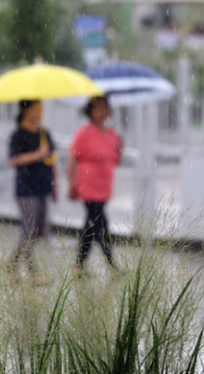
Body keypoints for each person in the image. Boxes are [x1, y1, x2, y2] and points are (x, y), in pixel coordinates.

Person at [68, 96, 123, 277]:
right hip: (88, 187)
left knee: (90, 227)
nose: (101, 112)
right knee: (101, 225)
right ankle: (111, 265)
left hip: (103, 188)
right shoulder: (84, 133)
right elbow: (72, 159)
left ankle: (79, 265)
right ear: (90, 111)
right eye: (97, 108)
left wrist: (120, 148)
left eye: (104, 108)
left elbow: (115, 160)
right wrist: (72, 184)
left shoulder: (112, 135)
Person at [7, 100, 58, 285]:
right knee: (28, 231)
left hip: (43, 188)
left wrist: (55, 184)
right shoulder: (18, 135)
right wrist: (37, 154)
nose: (39, 112)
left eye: (40, 109)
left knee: (38, 231)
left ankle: (12, 262)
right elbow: (13, 160)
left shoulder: (44, 133)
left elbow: (52, 159)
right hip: (26, 189)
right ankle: (32, 272)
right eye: (35, 108)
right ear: (25, 110)